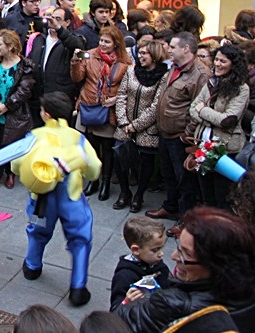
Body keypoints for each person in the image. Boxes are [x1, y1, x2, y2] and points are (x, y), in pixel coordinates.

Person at [12, 91, 101, 306]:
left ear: (46, 115)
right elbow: (95, 168)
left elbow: (16, 165)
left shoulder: (34, 136)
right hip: (72, 196)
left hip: (42, 197)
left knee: (38, 231)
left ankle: (32, 266)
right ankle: (78, 286)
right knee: (80, 239)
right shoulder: (78, 138)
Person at [116, 207, 255, 331]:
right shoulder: (246, 291)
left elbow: (115, 323)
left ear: (214, 264)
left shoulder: (172, 304)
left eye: (186, 253)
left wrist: (128, 304)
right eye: (179, 248)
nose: (173, 256)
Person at [148, 32, 208, 238]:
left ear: (186, 49)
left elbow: (198, 107)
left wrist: (187, 135)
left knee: (186, 182)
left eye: (172, 47)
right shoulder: (173, 67)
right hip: (166, 132)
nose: (168, 50)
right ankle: (170, 206)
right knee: (169, 175)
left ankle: (185, 220)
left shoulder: (200, 74)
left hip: (180, 136)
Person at [71, 25, 132, 200]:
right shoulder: (89, 54)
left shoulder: (125, 62)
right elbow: (77, 78)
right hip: (88, 105)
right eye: (101, 41)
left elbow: (128, 87)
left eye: (107, 42)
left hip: (107, 109)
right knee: (91, 147)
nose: (102, 44)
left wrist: (116, 98)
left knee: (107, 148)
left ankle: (105, 182)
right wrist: (75, 61)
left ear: (116, 44)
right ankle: (93, 180)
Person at [187, 43, 249, 210]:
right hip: (203, 146)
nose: (217, 64)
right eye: (216, 60)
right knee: (206, 195)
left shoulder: (241, 89)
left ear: (234, 64)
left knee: (222, 198)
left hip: (226, 149)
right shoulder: (211, 82)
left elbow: (227, 121)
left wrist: (204, 111)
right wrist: (208, 116)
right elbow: (193, 108)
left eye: (223, 61)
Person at [113, 40, 168, 212]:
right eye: (140, 53)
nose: (140, 56)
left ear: (155, 56)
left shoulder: (164, 77)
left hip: (147, 128)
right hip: (125, 124)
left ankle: (139, 196)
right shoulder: (131, 71)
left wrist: (136, 126)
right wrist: (123, 122)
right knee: (118, 157)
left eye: (145, 53)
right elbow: (121, 95)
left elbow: (156, 106)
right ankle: (125, 192)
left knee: (146, 163)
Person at [0, 29, 36, 189]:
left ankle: (11, 173)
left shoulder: (25, 66)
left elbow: (24, 90)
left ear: (10, 46)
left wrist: (7, 106)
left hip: (14, 113)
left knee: (12, 142)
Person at [27, 7, 85, 126]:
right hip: (37, 99)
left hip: (59, 102)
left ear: (67, 22)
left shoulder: (74, 39)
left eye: (58, 19)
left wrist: (59, 29)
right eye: (52, 18)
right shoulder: (40, 39)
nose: (53, 22)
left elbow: (77, 47)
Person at [109, 217, 170, 311]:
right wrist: (126, 301)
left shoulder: (156, 264)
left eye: (161, 248)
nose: (161, 254)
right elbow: (114, 310)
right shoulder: (124, 276)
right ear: (136, 250)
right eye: (155, 250)